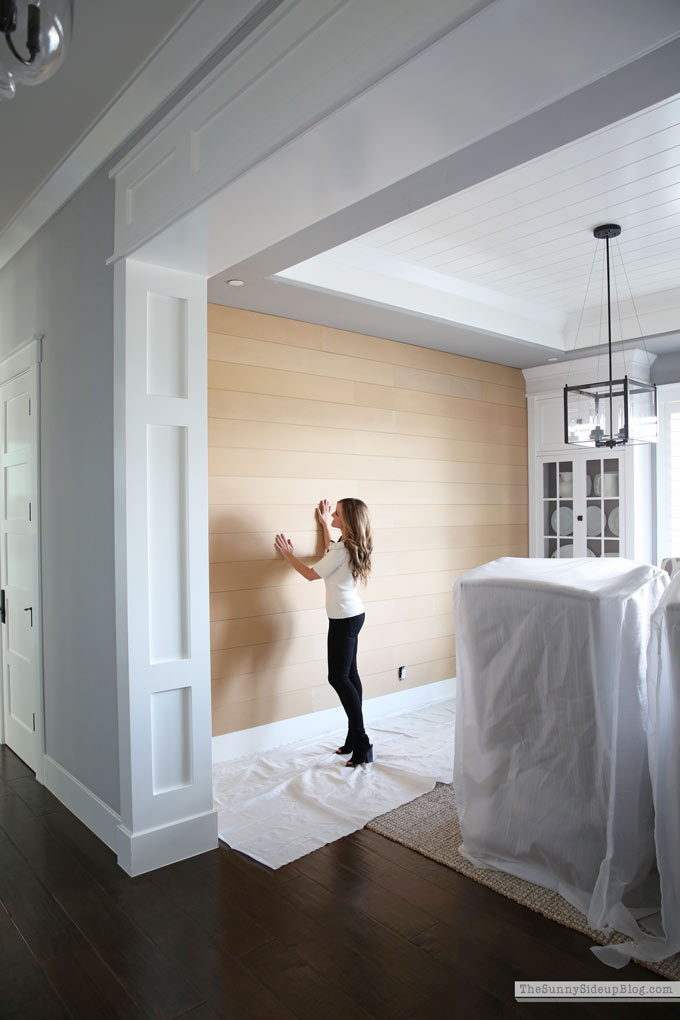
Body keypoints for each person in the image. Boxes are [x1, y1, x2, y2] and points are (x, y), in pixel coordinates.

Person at [274, 498, 373, 766]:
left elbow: (310, 573)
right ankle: (354, 738)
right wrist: (323, 525)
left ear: (349, 520)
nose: (332, 518)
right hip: (350, 615)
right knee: (350, 675)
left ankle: (361, 741)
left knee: (338, 678)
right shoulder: (347, 546)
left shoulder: (343, 551)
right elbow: (329, 552)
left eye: (337, 515)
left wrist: (288, 555)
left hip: (344, 618)